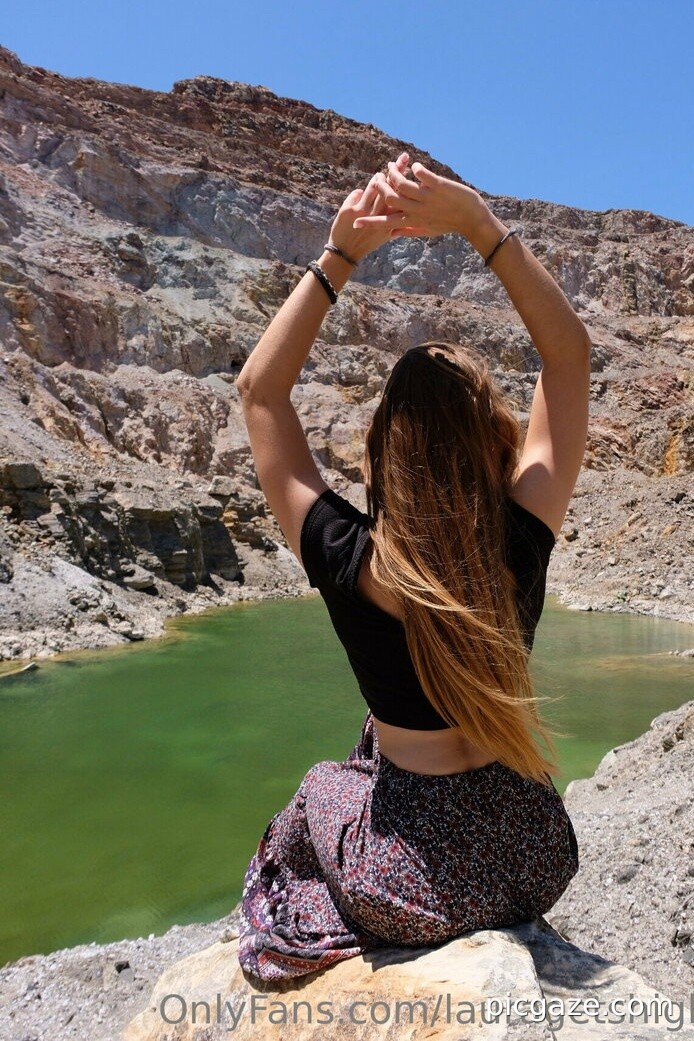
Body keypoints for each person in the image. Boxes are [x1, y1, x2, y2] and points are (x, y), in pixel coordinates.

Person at [234, 152, 591, 982]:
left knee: (323, 784)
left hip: (401, 884)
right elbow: (569, 357)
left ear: (380, 453)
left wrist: (338, 257)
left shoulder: (347, 557)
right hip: (530, 853)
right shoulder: (521, 539)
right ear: (495, 443)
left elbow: (259, 393)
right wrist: (479, 225)